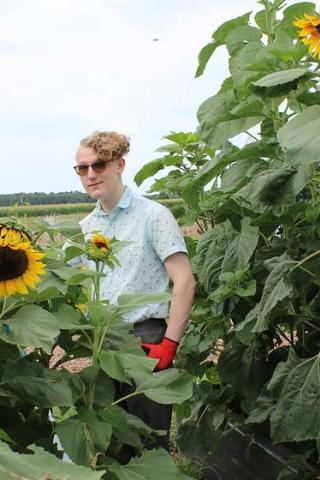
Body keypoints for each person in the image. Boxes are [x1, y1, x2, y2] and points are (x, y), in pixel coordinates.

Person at [73, 130, 196, 461]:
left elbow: (184, 281)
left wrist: (169, 344)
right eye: (82, 168)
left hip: (145, 341)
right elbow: (66, 277)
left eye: (99, 165)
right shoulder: (86, 226)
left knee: (146, 446)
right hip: (105, 343)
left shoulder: (153, 216)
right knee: (108, 442)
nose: (90, 174)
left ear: (120, 164)